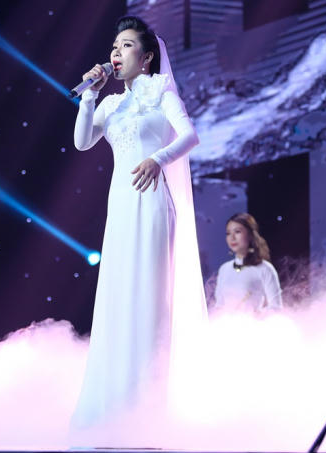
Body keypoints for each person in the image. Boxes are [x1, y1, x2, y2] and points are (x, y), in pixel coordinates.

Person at [71, 16, 207, 428]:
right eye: (115, 46)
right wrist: (89, 96)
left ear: (146, 57)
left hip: (151, 203)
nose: (117, 52)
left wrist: (158, 158)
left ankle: (146, 410)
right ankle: (113, 407)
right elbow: (82, 142)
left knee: (147, 298)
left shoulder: (160, 91)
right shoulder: (110, 104)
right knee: (117, 296)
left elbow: (190, 136)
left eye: (127, 45)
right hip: (120, 206)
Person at [213, 213, 282, 313]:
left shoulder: (265, 268)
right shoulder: (224, 269)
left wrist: (256, 315)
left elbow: (276, 308)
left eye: (237, 232)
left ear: (250, 235)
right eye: (228, 233)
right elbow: (219, 306)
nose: (232, 237)